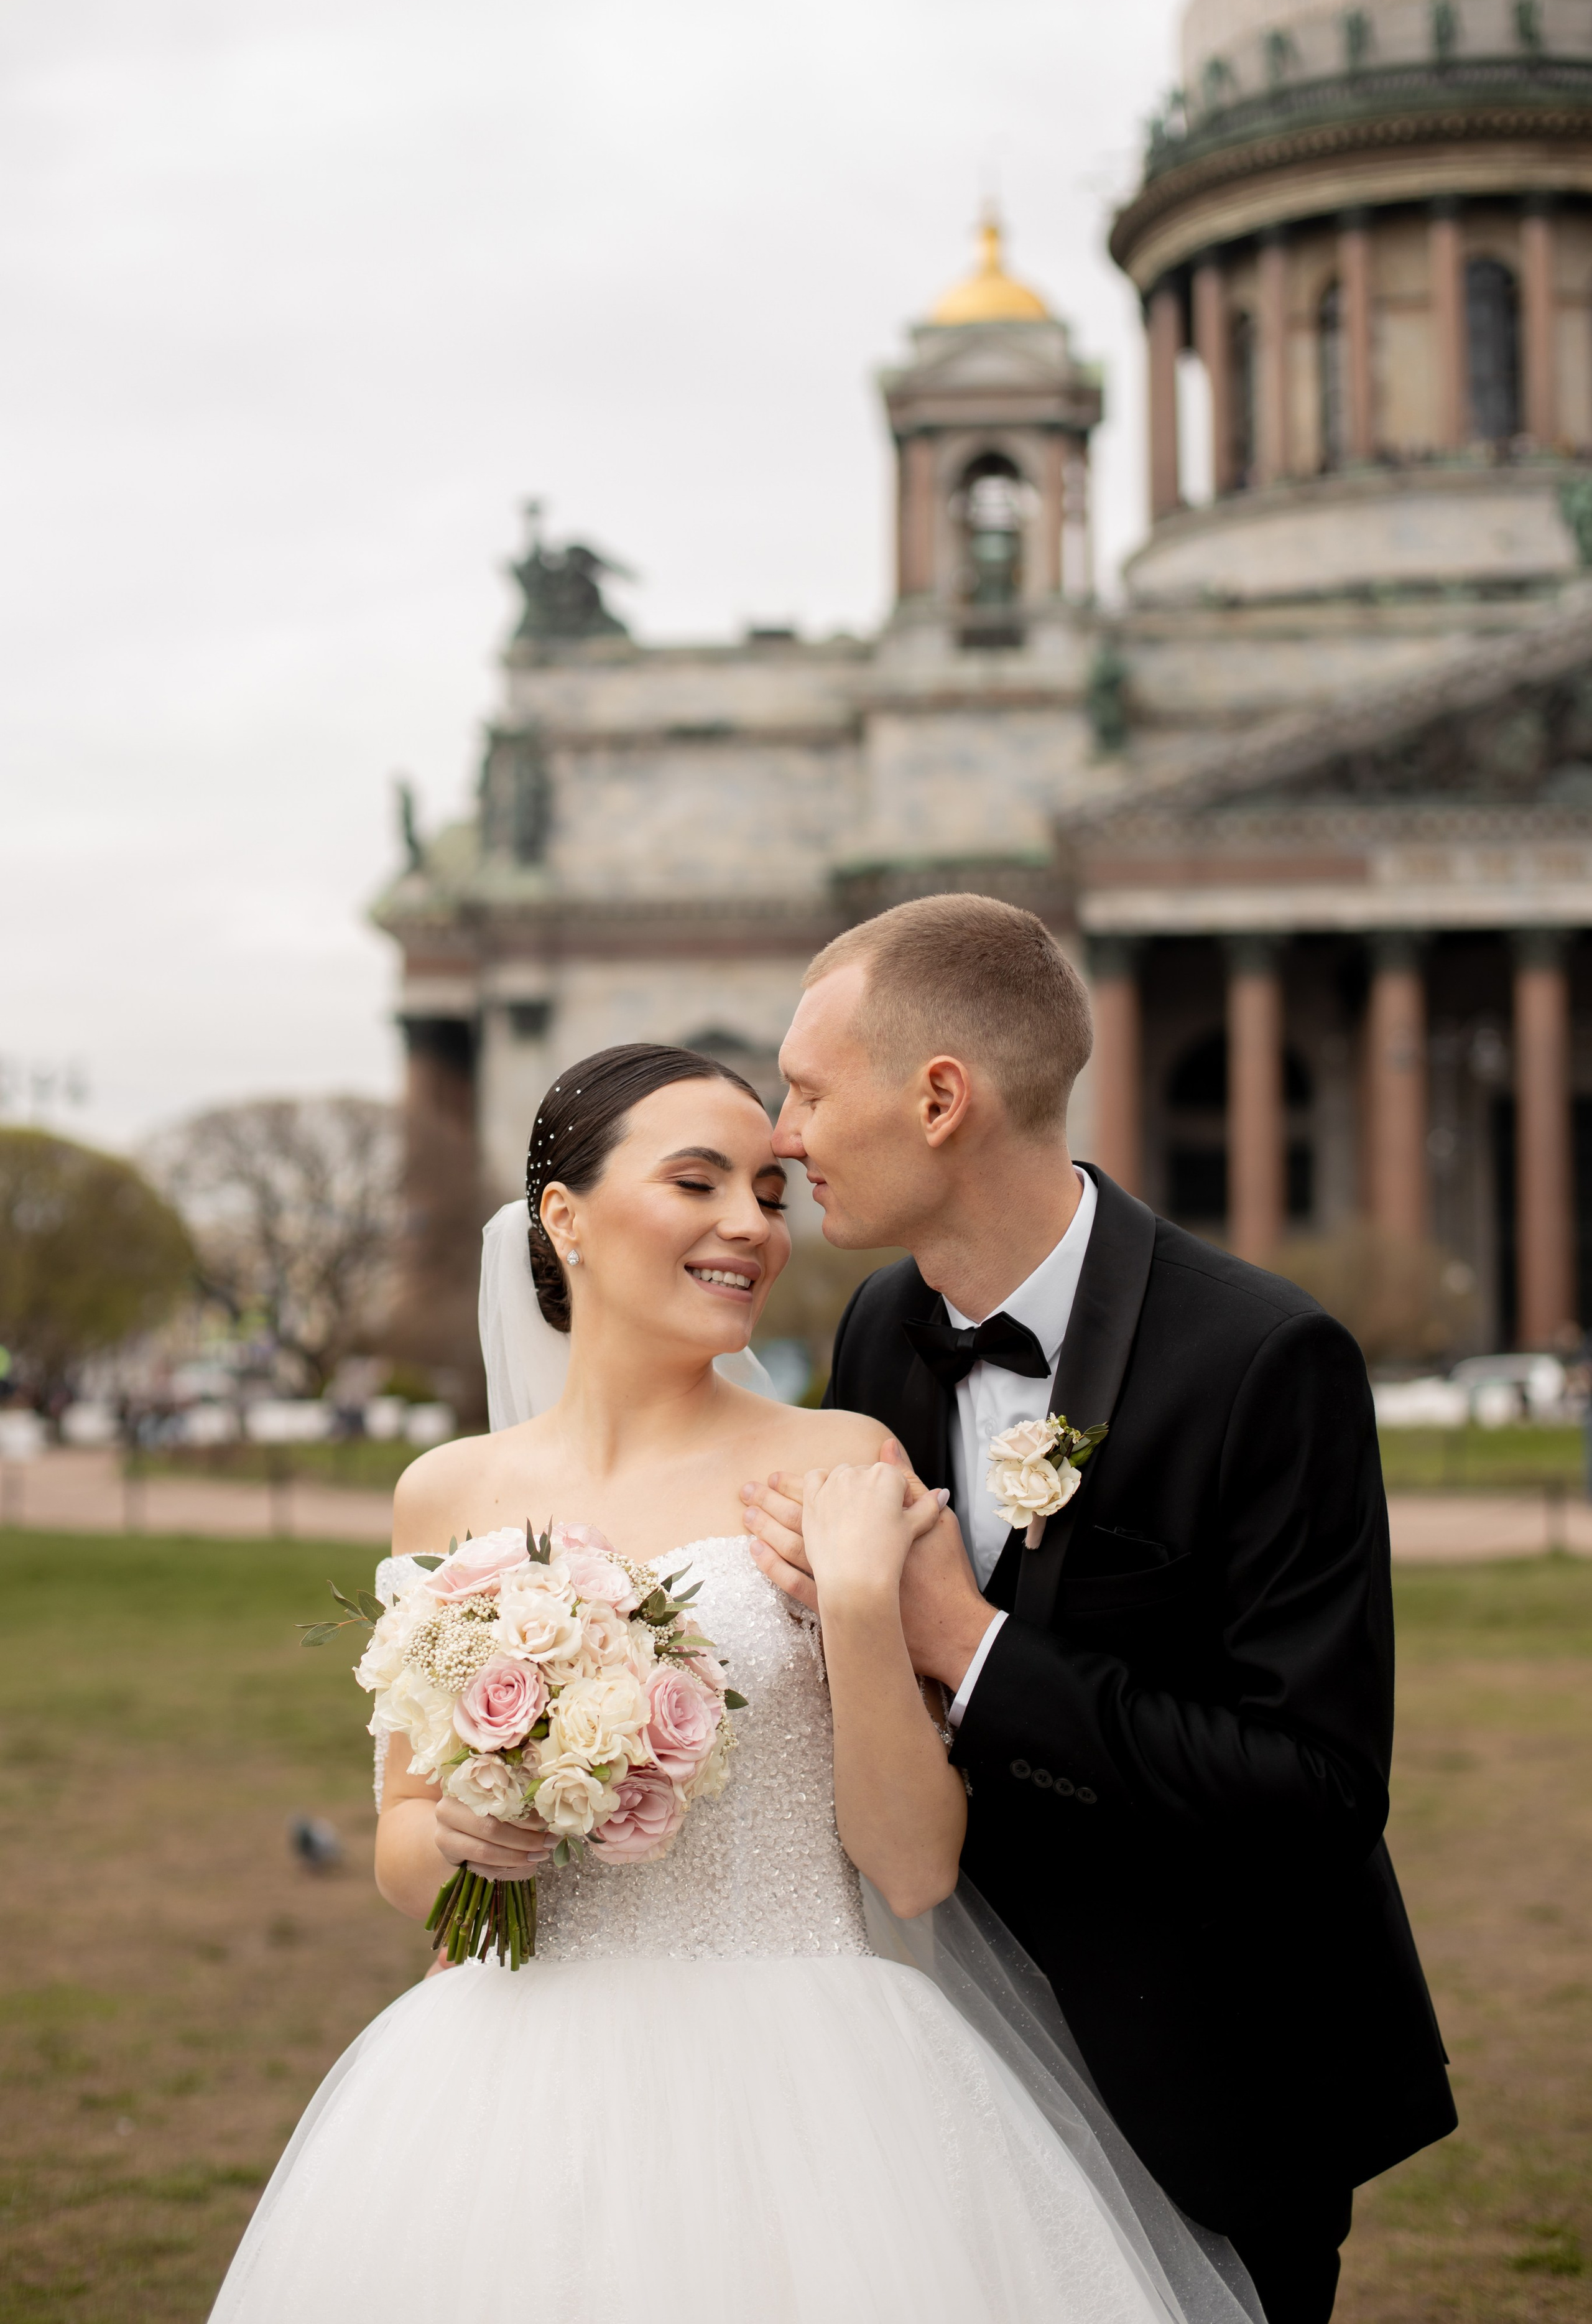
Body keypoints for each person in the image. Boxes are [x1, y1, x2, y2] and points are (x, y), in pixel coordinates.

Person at [208, 1042, 1258, 2324]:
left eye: (767, 1191)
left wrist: (865, 1603)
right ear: (564, 1218)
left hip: (815, 2082)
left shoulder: (838, 1460)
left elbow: (915, 1867)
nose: (748, 1228)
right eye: (697, 1183)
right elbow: (400, 1850)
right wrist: (468, 1837)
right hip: (507, 2083)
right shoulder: (448, 1493)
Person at [745, 895, 1457, 2324]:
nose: (781, 1133)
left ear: (939, 1099)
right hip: (952, 2063)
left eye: (809, 1090)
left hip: (1220, 2080)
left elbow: (1314, 1786)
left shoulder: (1266, 1360)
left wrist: (970, 1644)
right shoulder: (878, 1331)